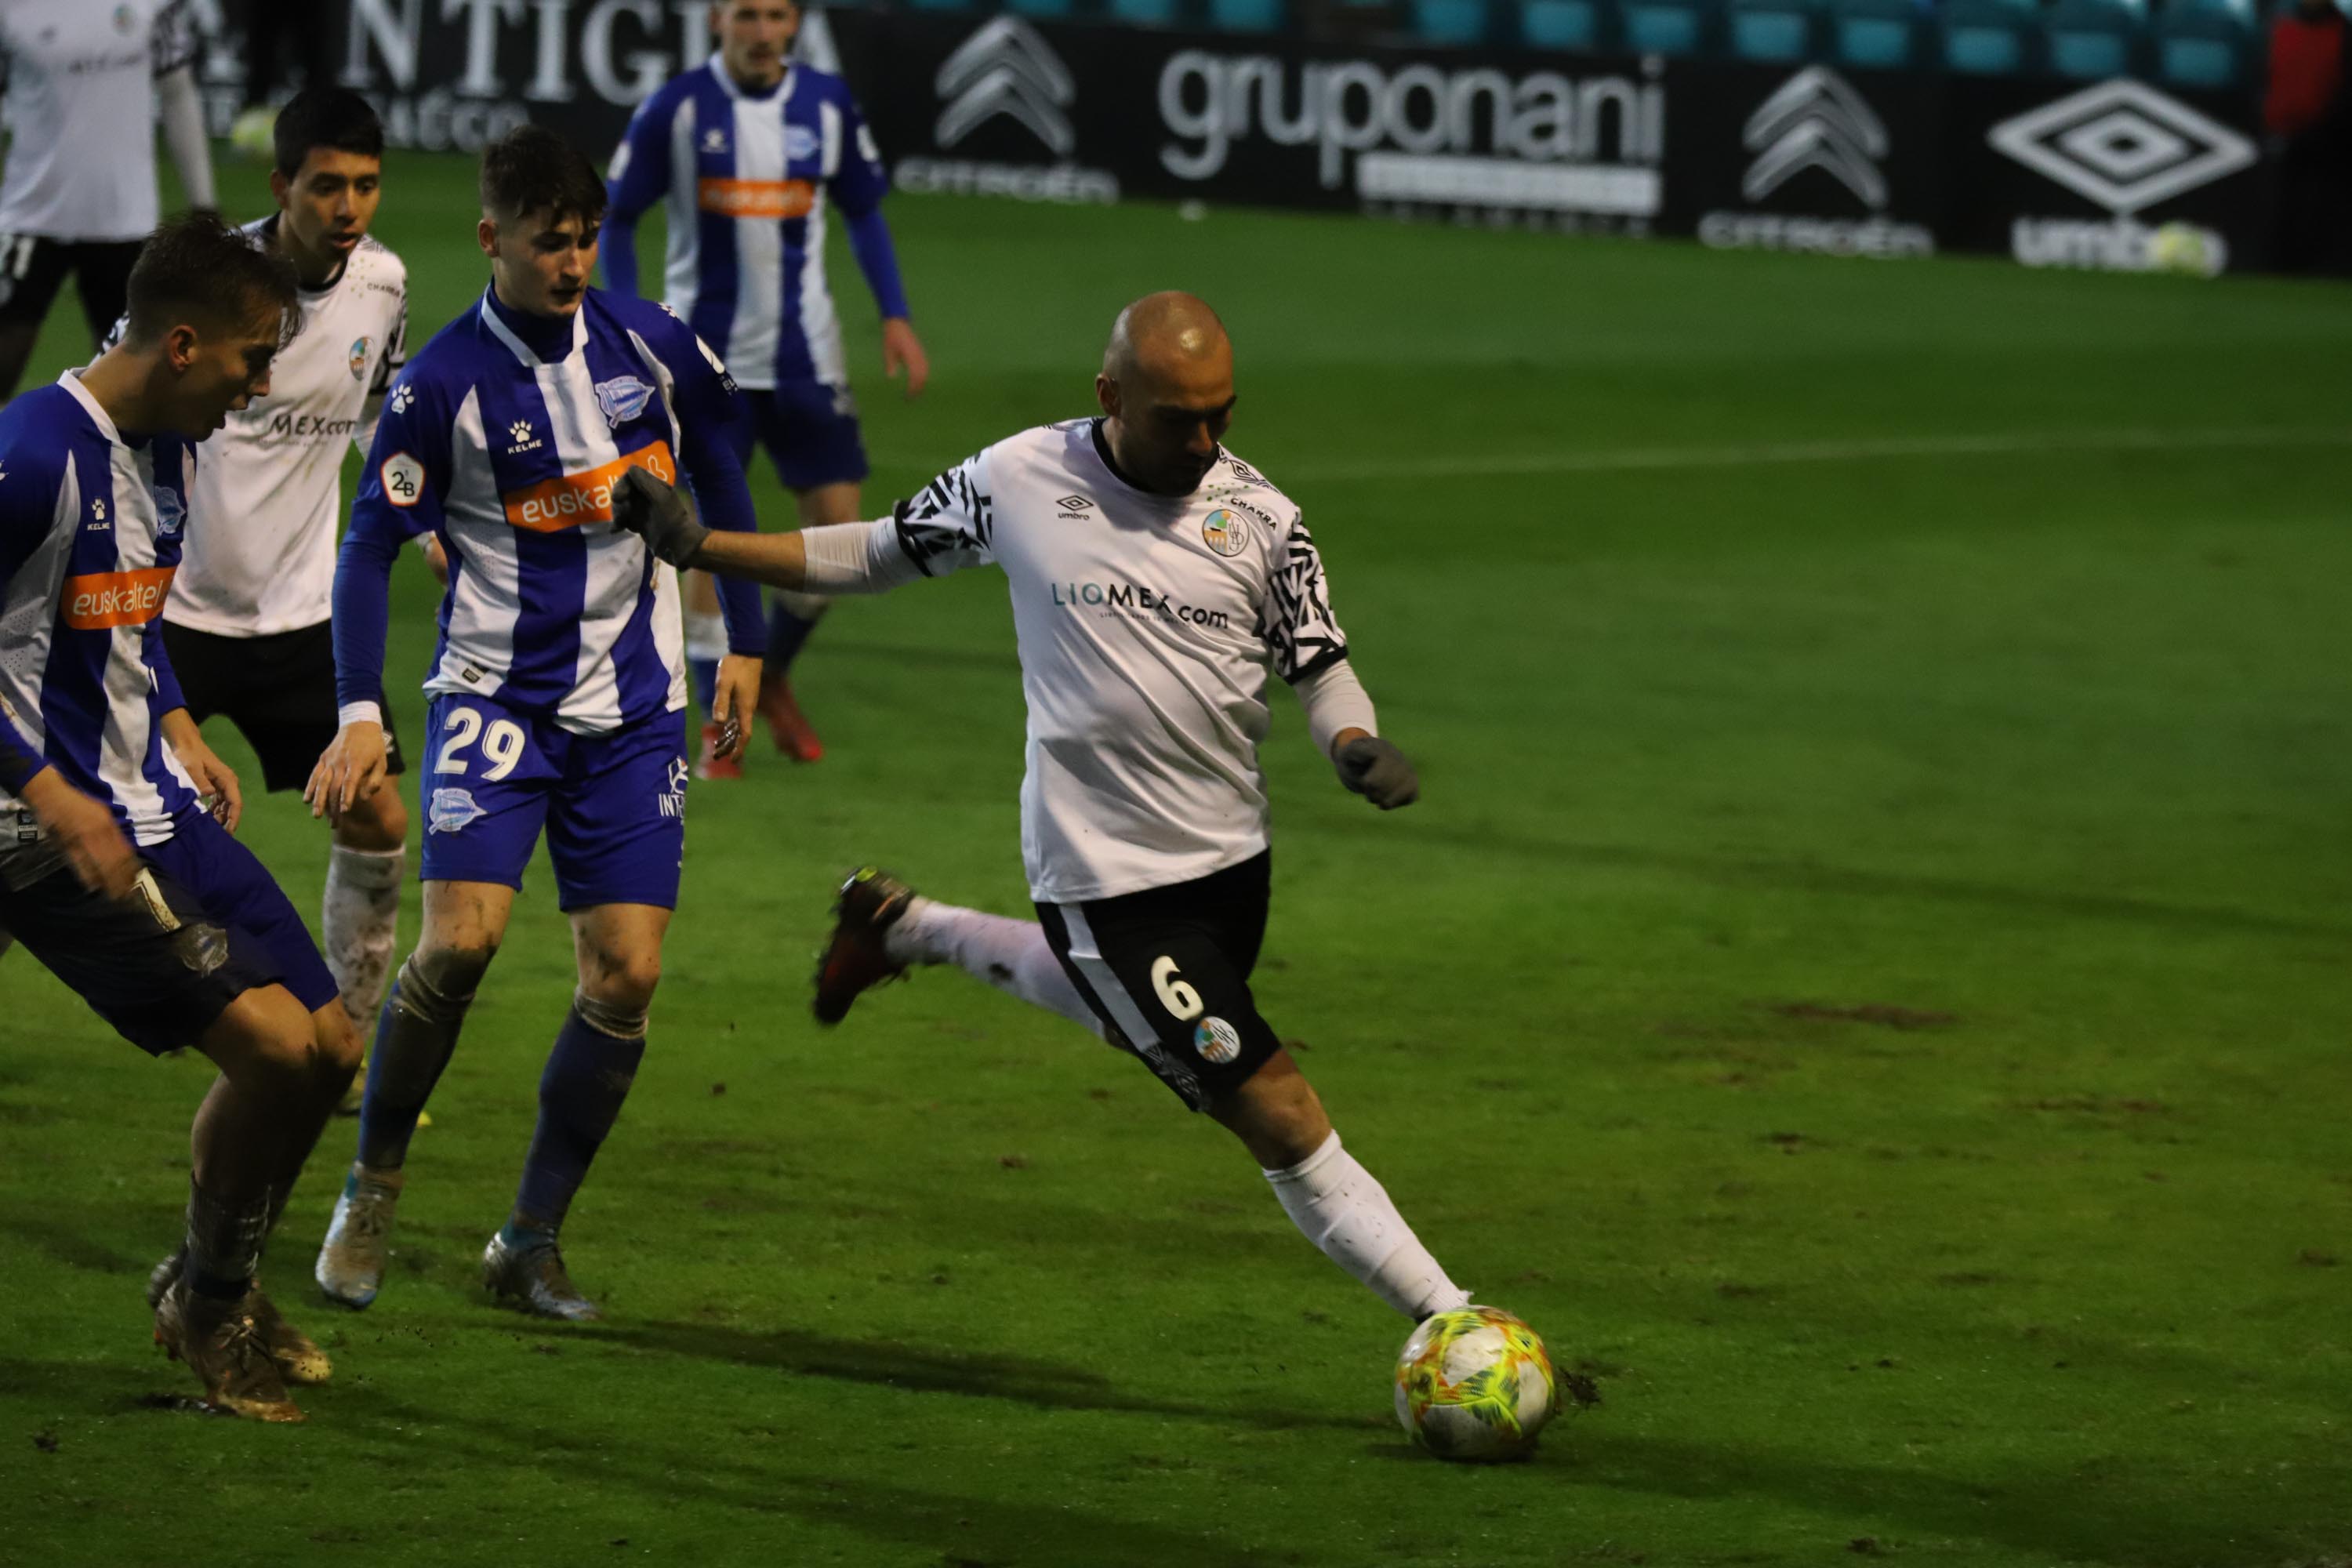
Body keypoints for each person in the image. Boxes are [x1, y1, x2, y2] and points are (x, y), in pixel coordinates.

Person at [610, 292, 1477, 1327]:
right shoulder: (1020, 479)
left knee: (1142, 1030)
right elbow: (877, 550)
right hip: (1105, 882)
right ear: (1111, 394)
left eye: (1223, 415)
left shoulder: (1263, 521)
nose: (1204, 441)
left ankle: (907, 927)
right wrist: (705, 547)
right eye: (1177, 418)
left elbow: (1321, 664)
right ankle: (1455, 1321)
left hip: (1233, 865)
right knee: (1278, 1113)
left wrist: (1352, 740)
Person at [307, 125, 766, 1322]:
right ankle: (372, 1183)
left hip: (634, 709)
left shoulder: (649, 345)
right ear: (490, 239)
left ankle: (528, 1239)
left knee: (628, 974)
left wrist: (746, 637)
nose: (570, 264)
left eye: (583, 240)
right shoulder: (441, 384)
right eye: (546, 243)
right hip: (494, 698)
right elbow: (367, 554)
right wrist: (361, 712)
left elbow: (724, 449)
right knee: (460, 941)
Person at [0, 212, 361, 1422]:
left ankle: (212, 1282)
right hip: (45, 833)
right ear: (188, 345)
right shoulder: (32, 452)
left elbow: (125, 616)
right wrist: (49, 790)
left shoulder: (169, 448)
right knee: (267, 1050)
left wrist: (181, 718)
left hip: (149, 798)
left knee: (331, 1051)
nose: (260, 388)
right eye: (256, 360)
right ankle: (210, 1316)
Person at [148, 87, 416, 1102]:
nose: (349, 207)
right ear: (282, 187)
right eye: (326, 186)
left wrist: (417, 515)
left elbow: (378, 417)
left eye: (366, 185)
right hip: (175, 619)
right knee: (58, 828)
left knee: (379, 818)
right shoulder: (216, 289)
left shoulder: (384, 284)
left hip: (303, 620)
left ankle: (345, 1035)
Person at [601, 0, 929, 777]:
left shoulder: (826, 103)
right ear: (718, 18)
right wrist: (625, 317)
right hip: (705, 364)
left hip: (805, 358)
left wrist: (895, 315)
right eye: (745, 13)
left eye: (776, 14)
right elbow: (617, 218)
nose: (760, 31)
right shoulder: (676, 109)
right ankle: (723, 723)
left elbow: (864, 212)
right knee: (712, 540)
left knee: (839, 528)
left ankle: (771, 669)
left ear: (794, 23)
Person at [0, 0, 217, 401]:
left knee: (139, 383)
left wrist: (203, 205)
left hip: (125, 219)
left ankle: (128, 467)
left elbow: (177, 94)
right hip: (30, 213)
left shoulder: (155, 6)